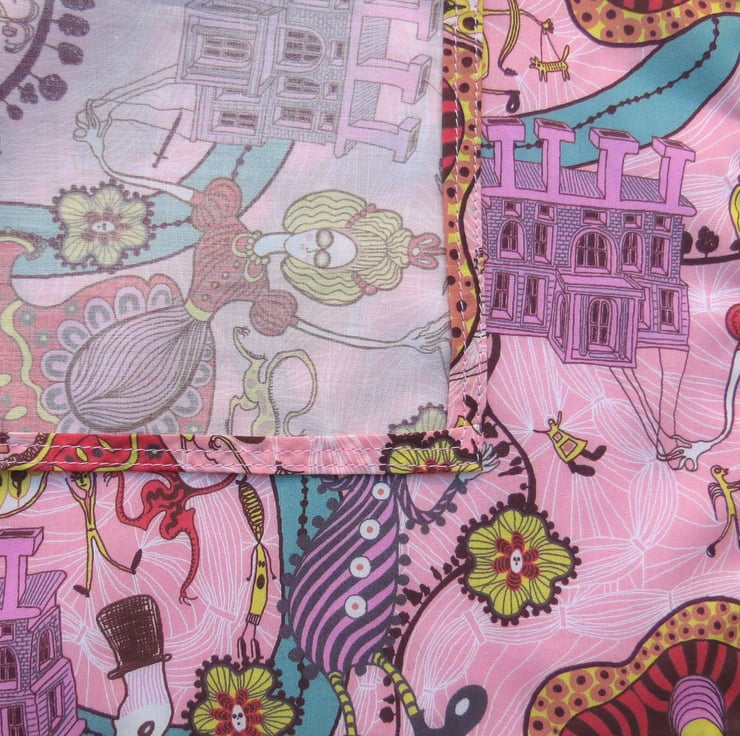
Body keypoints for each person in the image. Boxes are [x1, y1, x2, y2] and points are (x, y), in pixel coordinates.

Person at [66, 103, 449, 432]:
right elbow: (170, 189)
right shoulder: (224, 220)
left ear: (320, 274)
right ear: (323, 221)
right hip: (161, 323)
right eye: (325, 238)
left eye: (321, 259)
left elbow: (325, 331)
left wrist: (400, 342)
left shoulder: (261, 291)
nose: (312, 247)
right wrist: (103, 157)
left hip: (186, 342)